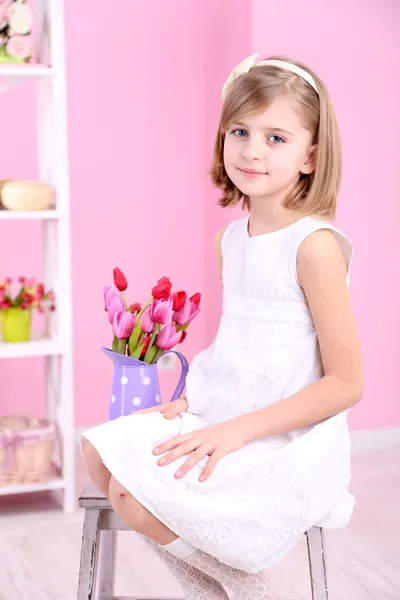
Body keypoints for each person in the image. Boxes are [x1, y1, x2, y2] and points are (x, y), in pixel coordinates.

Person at [82, 54, 364, 600]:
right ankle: (225, 591)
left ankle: (250, 590)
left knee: (134, 497)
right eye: (240, 130)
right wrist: (190, 403)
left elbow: (346, 383)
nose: (252, 149)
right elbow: (241, 347)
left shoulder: (315, 248)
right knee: (99, 453)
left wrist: (234, 430)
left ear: (311, 156)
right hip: (223, 414)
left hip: (284, 438)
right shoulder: (231, 242)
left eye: (276, 137)